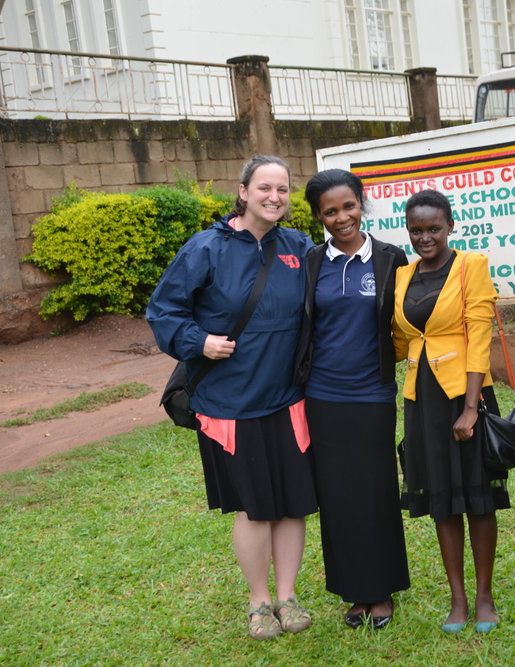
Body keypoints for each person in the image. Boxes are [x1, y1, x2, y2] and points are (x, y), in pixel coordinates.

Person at [147, 155, 317, 641]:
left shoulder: (299, 247)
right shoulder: (205, 248)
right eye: (265, 187)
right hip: (230, 402)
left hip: (289, 399)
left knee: (292, 504)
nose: (275, 197)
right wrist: (199, 342)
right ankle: (259, 602)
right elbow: (164, 311)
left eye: (283, 189)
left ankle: (288, 596)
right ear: (242, 192)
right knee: (253, 505)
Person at [295, 168, 410, 630]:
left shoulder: (389, 258)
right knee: (337, 495)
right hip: (322, 396)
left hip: (373, 394)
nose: (341, 218)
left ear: (361, 203)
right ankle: (352, 591)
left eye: (348, 206)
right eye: (330, 211)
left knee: (376, 490)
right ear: (318, 217)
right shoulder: (310, 262)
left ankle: (380, 591)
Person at [392, 189, 507, 634]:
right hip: (420, 399)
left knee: (477, 497)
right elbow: (401, 340)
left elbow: (480, 336)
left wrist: (471, 408)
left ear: (450, 226)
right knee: (441, 499)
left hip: (465, 394)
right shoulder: (403, 276)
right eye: (417, 230)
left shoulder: (470, 267)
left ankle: (484, 597)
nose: (425, 237)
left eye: (434, 228)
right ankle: (457, 598)